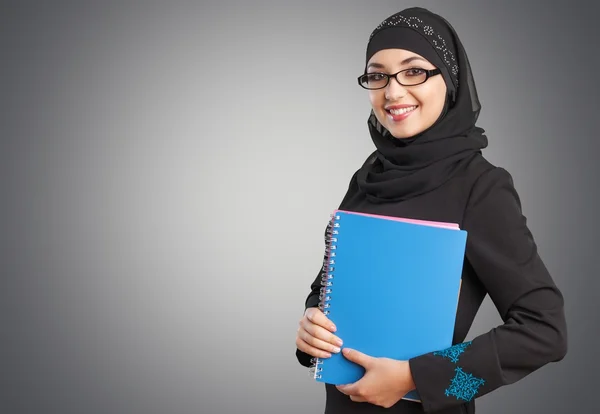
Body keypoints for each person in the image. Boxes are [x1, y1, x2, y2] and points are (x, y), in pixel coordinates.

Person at [294, 6, 567, 414]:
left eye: (414, 71)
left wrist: (418, 379)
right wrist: (311, 325)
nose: (393, 91)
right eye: (378, 74)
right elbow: (332, 287)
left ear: (450, 80)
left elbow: (545, 332)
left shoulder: (480, 186)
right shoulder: (368, 176)